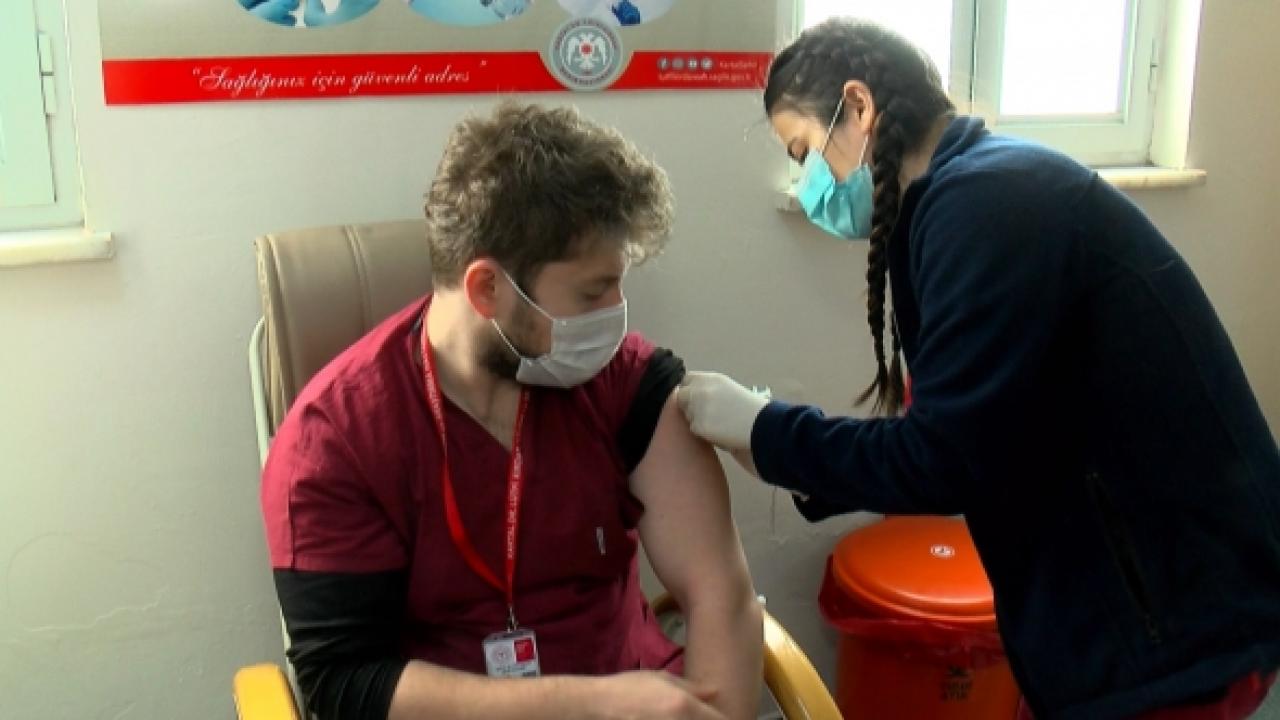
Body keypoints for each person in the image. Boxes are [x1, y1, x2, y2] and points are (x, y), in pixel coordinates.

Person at [676, 18, 1280, 720]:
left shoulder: (988, 205)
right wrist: (780, 450)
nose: (812, 184)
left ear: (859, 106)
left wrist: (769, 431)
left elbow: (944, 458)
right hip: (1112, 605)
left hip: (1170, 623)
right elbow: (965, 431)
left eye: (805, 150)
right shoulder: (960, 200)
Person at [261, 102, 762, 720]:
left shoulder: (629, 385)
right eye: (592, 292)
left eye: (618, 283)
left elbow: (721, 594)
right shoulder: (336, 440)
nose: (616, 312)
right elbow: (344, 683)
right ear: (487, 289)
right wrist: (592, 706)